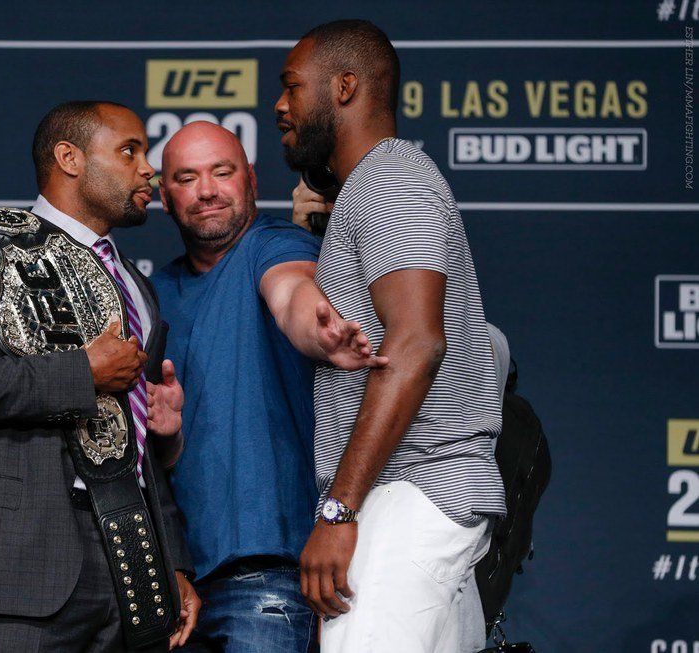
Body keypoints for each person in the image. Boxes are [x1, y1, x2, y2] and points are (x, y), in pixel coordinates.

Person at [0, 100, 200, 652]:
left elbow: (137, 449)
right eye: (129, 151)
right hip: (17, 562)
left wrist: (173, 560)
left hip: (130, 563)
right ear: (69, 158)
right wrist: (83, 371)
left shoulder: (135, 287)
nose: (148, 168)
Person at [276, 20, 506, 652]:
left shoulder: (389, 178)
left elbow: (416, 345)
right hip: (413, 495)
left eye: (292, 86)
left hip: (411, 492)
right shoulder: (368, 188)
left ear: (344, 87)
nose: (280, 105)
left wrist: (339, 509)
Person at [151, 120, 386, 652]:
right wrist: (167, 436)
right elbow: (165, 457)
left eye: (222, 172)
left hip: (269, 575)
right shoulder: (153, 293)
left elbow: (291, 292)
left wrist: (320, 331)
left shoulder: (274, 243)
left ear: (251, 180)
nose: (207, 190)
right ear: (165, 196)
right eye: (187, 178)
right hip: (176, 580)